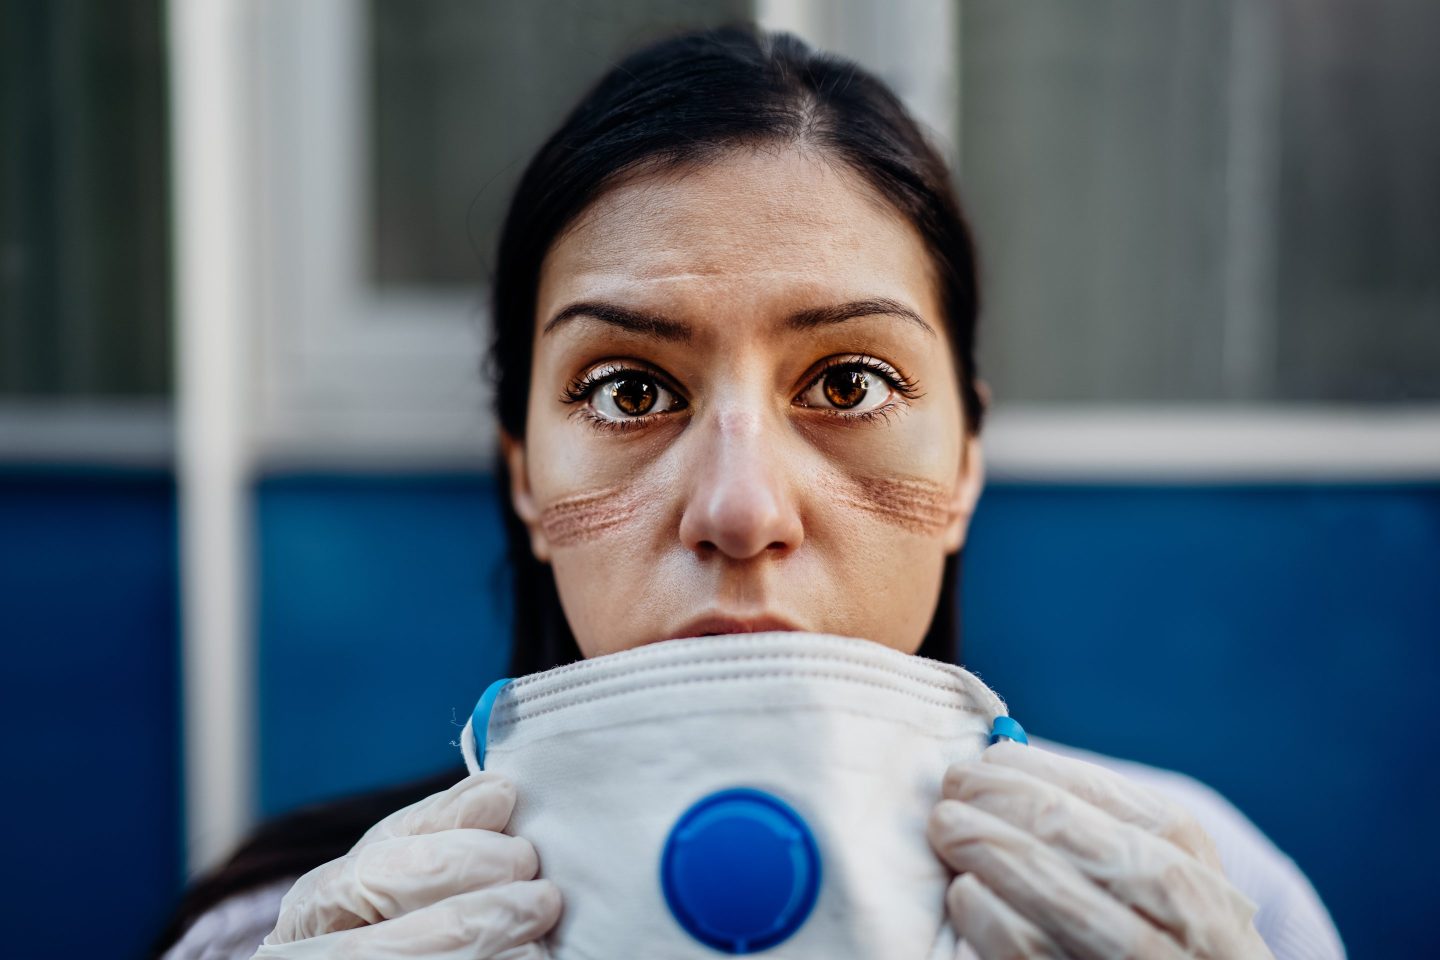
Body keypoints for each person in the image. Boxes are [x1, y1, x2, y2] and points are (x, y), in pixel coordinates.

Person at [151, 22, 1346, 960]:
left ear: (969, 455)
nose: (740, 509)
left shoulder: (1208, 904)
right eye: (627, 392)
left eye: (851, 383)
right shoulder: (290, 936)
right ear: (524, 473)